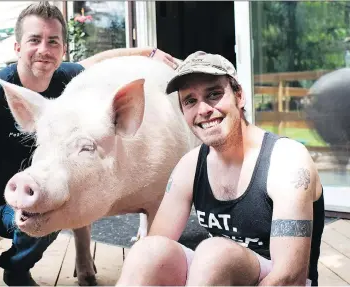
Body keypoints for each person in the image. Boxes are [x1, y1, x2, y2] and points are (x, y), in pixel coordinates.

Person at [0, 2, 179, 286]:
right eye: (34, 40)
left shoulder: (66, 79)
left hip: (27, 198)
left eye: (53, 41)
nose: (44, 49)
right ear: (17, 47)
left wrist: (149, 53)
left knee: (52, 209)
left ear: (62, 51)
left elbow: (101, 60)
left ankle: (16, 268)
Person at [116, 51, 325, 286]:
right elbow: (158, 250)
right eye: (190, 101)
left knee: (215, 254)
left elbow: (291, 277)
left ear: (240, 96)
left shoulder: (286, 160)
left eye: (214, 94)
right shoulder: (191, 165)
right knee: (147, 252)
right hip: (217, 277)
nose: (203, 109)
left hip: (277, 281)